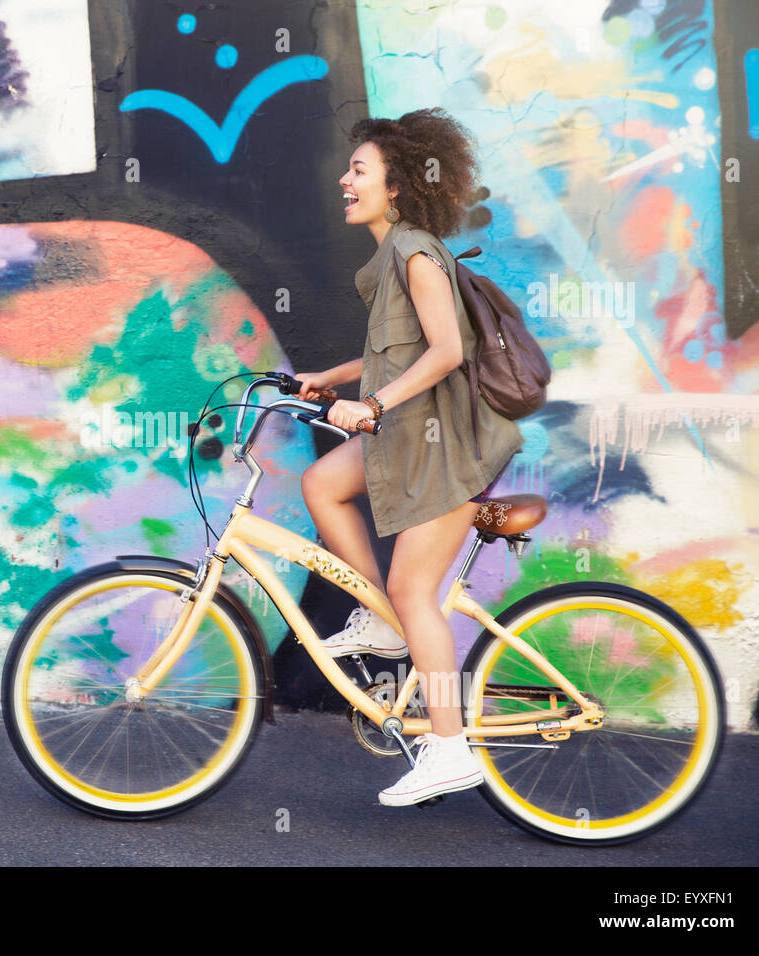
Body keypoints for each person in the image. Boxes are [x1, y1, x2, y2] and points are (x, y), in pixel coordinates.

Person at [294, 108, 523, 807]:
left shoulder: (417, 251)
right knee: (323, 482)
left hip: (445, 449)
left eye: (358, 169)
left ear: (397, 186)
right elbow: (400, 347)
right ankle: (382, 622)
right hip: (411, 440)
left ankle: (449, 748)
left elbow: (448, 350)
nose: (345, 178)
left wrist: (373, 406)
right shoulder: (394, 254)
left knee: (415, 592)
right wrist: (335, 380)